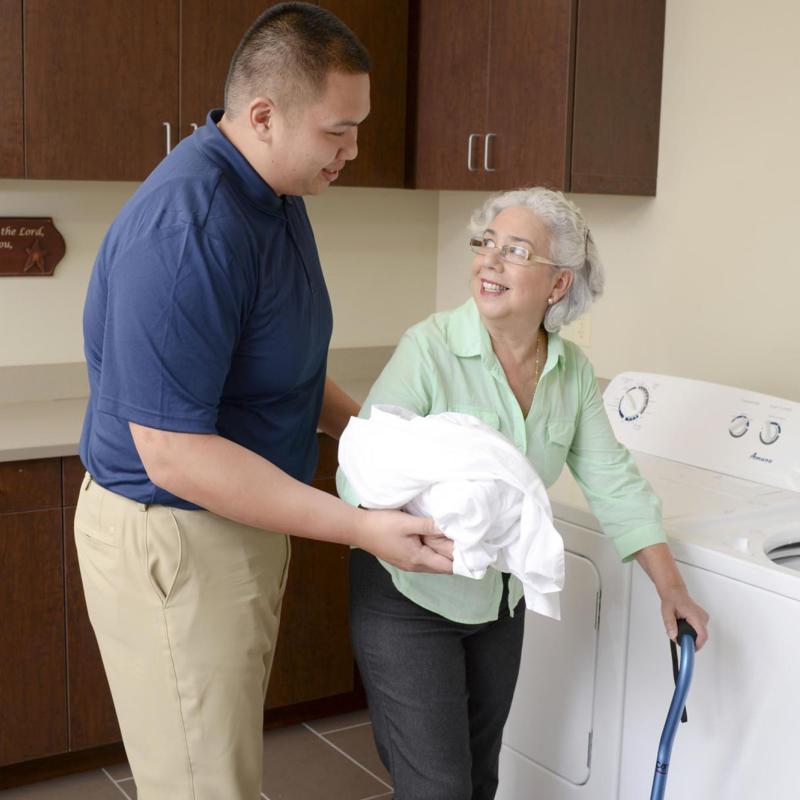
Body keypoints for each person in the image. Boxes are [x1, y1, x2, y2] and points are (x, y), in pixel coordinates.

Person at [73, 4, 452, 799]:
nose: (353, 150)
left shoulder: (275, 196)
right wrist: (360, 529)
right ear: (263, 116)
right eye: (337, 132)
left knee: (223, 762)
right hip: (177, 536)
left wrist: (378, 436)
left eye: (360, 128)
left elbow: (281, 368)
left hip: (237, 524)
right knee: (202, 783)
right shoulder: (190, 228)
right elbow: (174, 451)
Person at [336, 187, 710, 800]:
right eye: (485, 244)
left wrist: (671, 589)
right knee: (439, 788)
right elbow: (361, 468)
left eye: (515, 250)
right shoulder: (429, 348)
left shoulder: (571, 372)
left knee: (481, 778)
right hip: (407, 596)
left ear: (557, 285)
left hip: (495, 602)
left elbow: (614, 481)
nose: (489, 260)